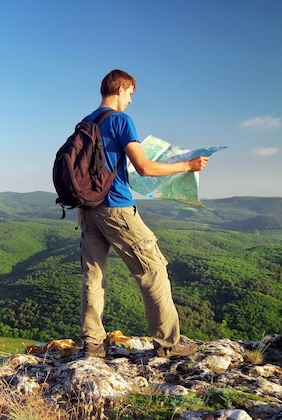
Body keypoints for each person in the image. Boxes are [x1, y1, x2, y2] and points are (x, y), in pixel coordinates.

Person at [79, 69, 209, 358]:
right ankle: (168, 344)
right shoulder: (120, 120)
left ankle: (92, 343)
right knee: (153, 270)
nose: (131, 101)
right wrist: (188, 166)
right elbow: (145, 167)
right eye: (131, 94)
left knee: (94, 277)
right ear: (121, 88)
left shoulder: (86, 122)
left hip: (88, 211)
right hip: (117, 209)